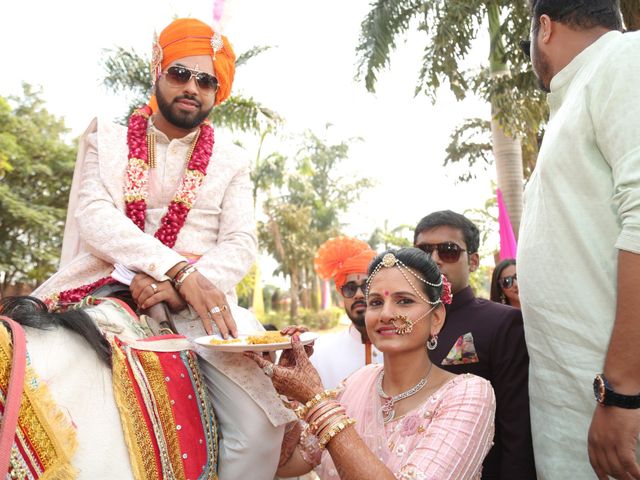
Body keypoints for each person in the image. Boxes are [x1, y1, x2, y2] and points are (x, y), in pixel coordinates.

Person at [32, 18, 294, 479]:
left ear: (217, 93)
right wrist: (174, 270)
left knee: (259, 432)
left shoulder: (231, 161)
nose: (192, 87)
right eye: (180, 74)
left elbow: (239, 241)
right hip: (108, 283)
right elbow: (94, 216)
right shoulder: (108, 139)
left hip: (203, 304)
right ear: (158, 71)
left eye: (206, 81)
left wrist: (185, 286)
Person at [517, 1, 640, 478]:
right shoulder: (584, 88)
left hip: (620, 411)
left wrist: (624, 392)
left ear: (544, 28)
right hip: (589, 410)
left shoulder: (622, 58)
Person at [247, 248, 496, 479]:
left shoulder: (468, 394)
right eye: (376, 302)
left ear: (437, 318)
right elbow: (286, 462)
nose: (386, 314)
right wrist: (279, 389)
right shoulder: (358, 382)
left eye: (404, 301)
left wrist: (317, 402)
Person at [413, 210, 536, 479]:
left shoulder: (503, 323)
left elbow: (517, 430)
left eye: (448, 250)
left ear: (473, 261)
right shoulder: (406, 324)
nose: (434, 260)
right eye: (423, 251)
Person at [310, 236, 382, 388]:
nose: (358, 295)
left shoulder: (402, 349)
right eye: (350, 288)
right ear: (342, 294)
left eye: (366, 286)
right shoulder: (321, 353)